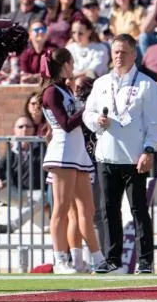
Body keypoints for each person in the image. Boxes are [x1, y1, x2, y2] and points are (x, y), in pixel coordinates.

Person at [84, 34, 157, 274]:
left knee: (138, 210)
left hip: (134, 157)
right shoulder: (101, 83)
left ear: (134, 54)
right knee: (108, 210)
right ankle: (112, 259)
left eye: (123, 52)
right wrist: (97, 121)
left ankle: (145, 261)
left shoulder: (146, 84)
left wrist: (149, 150)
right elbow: (88, 114)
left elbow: (154, 123)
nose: (118, 56)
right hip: (106, 155)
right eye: (115, 51)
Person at [40, 47, 111, 274]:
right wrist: (87, 107)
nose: (73, 67)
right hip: (63, 152)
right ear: (64, 65)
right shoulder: (51, 92)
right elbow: (66, 124)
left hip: (78, 151)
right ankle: (61, 259)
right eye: (71, 62)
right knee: (61, 209)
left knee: (87, 209)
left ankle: (97, 260)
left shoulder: (65, 90)